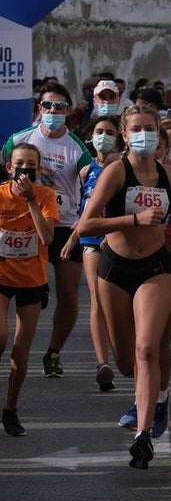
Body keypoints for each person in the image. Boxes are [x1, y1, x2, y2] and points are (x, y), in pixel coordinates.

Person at [76, 106, 171, 468]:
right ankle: (149, 399)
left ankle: (143, 433)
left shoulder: (168, 173)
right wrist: (133, 219)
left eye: (150, 129)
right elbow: (87, 225)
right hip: (115, 267)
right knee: (127, 362)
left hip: (156, 267)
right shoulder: (117, 171)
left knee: (148, 349)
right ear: (125, 136)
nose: (144, 135)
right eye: (136, 129)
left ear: (160, 139)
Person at [2, 83, 91, 380]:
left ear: (68, 111)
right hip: (26, 222)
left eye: (60, 107)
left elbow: (89, 186)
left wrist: (84, 220)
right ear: (38, 108)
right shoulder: (19, 139)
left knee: (68, 296)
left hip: (64, 224)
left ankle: (53, 352)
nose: (53, 111)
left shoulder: (77, 148)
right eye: (47, 106)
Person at [0, 145, 60, 437]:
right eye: (19, 164)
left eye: (31, 164)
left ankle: (10, 410)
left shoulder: (46, 195)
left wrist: (32, 200)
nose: (24, 169)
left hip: (32, 280)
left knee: (20, 353)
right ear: (9, 167)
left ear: (38, 169)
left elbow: (47, 237)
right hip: (1, 276)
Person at [61, 115, 122, 391]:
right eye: (99, 131)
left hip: (121, 240)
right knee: (97, 300)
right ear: (91, 135)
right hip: (92, 240)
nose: (104, 136)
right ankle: (102, 363)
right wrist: (73, 237)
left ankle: (128, 355)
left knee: (121, 303)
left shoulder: (125, 166)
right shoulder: (86, 171)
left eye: (109, 132)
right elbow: (82, 210)